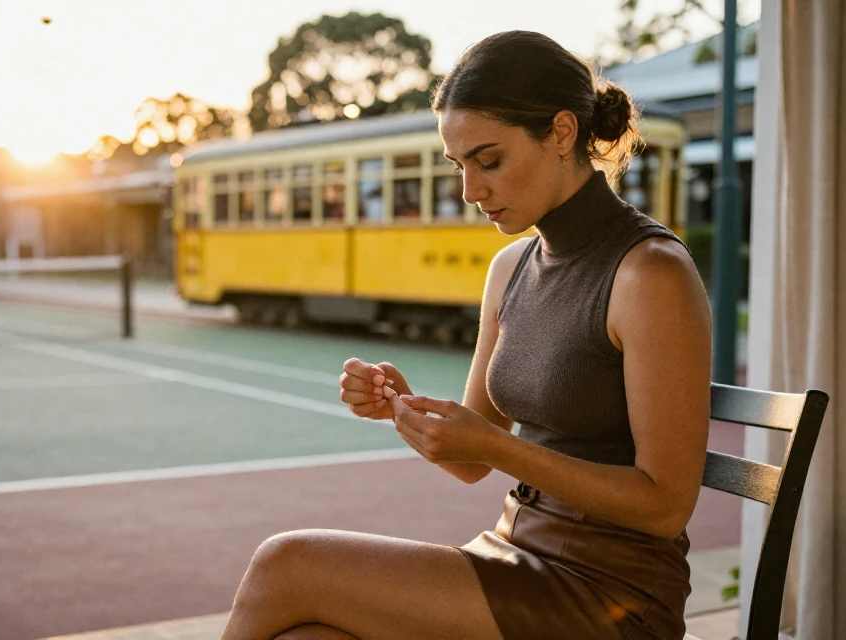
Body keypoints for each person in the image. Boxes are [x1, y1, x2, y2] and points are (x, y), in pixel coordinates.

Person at [220, 30, 712, 640]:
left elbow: (665, 506)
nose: (470, 191)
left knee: (285, 563)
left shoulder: (650, 273)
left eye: (490, 160)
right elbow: (472, 463)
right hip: (515, 558)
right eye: (459, 166)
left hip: (613, 596)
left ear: (562, 133)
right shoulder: (510, 270)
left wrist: (499, 447)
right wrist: (403, 409)